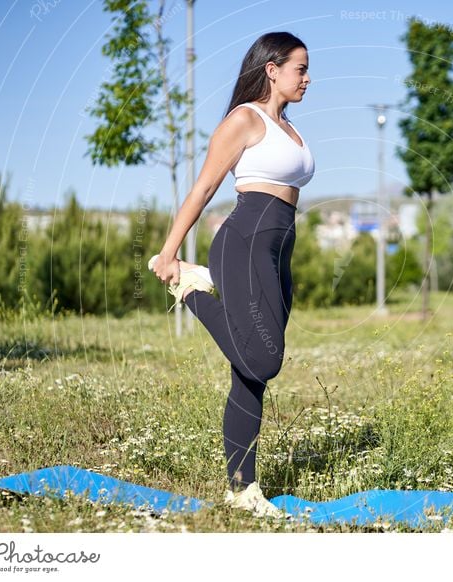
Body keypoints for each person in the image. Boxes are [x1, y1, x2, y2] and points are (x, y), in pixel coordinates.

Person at [149, 31, 313, 518]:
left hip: (279, 250)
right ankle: (194, 289)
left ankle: (242, 490)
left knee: (250, 374)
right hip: (243, 244)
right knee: (264, 360)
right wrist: (168, 253)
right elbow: (202, 189)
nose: (308, 78)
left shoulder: (289, 127)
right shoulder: (244, 120)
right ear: (272, 69)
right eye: (300, 69)